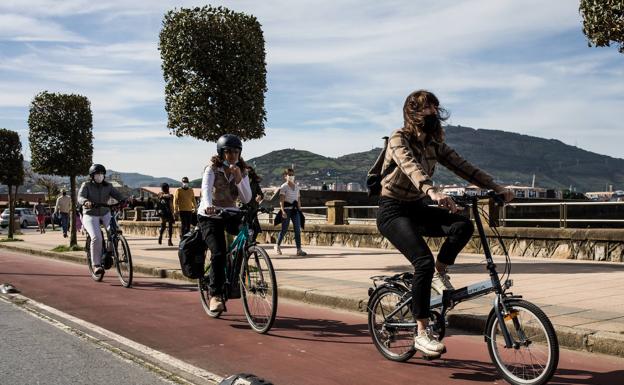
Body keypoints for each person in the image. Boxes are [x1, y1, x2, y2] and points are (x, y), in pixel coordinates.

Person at [376, 90, 514, 358]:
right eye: (428, 109)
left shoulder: (434, 143)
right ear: (414, 113)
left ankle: (440, 272)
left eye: (436, 109)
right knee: (422, 261)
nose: (434, 114)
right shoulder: (398, 138)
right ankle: (421, 333)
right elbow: (410, 167)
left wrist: (496, 186)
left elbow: (463, 167)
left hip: (416, 207)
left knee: (463, 226)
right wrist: (432, 191)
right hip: (392, 211)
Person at [197, 134, 252, 312]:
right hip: (210, 216)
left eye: (236, 152)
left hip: (230, 212)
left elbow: (246, 198)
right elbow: (205, 192)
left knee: (248, 238)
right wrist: (208, 206)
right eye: (228, 152)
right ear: (221, 153)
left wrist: (239, 178)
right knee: (219, 252)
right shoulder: (212, 169)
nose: (232, 156)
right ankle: (215, 295)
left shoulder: (242, 170)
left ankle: (236, 278)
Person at [78, 164, 125, 276]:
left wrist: (124, 200)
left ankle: (109, 252)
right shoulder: (86, 185)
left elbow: (118, 195)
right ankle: (96, 265)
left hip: (105, 212)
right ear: (92, 176)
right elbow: (80, 197)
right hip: (90, 214)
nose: (99, 176)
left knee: (115, 231)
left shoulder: (108, 186)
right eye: (97, 174)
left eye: (101, 174)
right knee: (97, 237)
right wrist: (86, 202)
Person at [274, 168, 306, 256]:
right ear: (285, 176)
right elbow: (281, 201)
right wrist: (282, 211)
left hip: (295, 210)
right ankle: (277, 245)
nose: (291, 176)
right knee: (284, 229)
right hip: (287, 210)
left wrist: (300, 210)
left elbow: (298, 199)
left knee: (297, 229)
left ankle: (299, 249)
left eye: (292, 174)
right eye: (289, 175)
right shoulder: (283, 187)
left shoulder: (297, 187)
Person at [245, 166, 265, 242]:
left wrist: (260, 196)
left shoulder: (255, 183)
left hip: (253, 208)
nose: (248, 173)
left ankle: (251, 242)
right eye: (246, 172)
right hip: (244, 208)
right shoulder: (241, 182)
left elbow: (261, 194)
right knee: (246, 227)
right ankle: (248, 242)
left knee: (255, 228)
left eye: (250, 172)